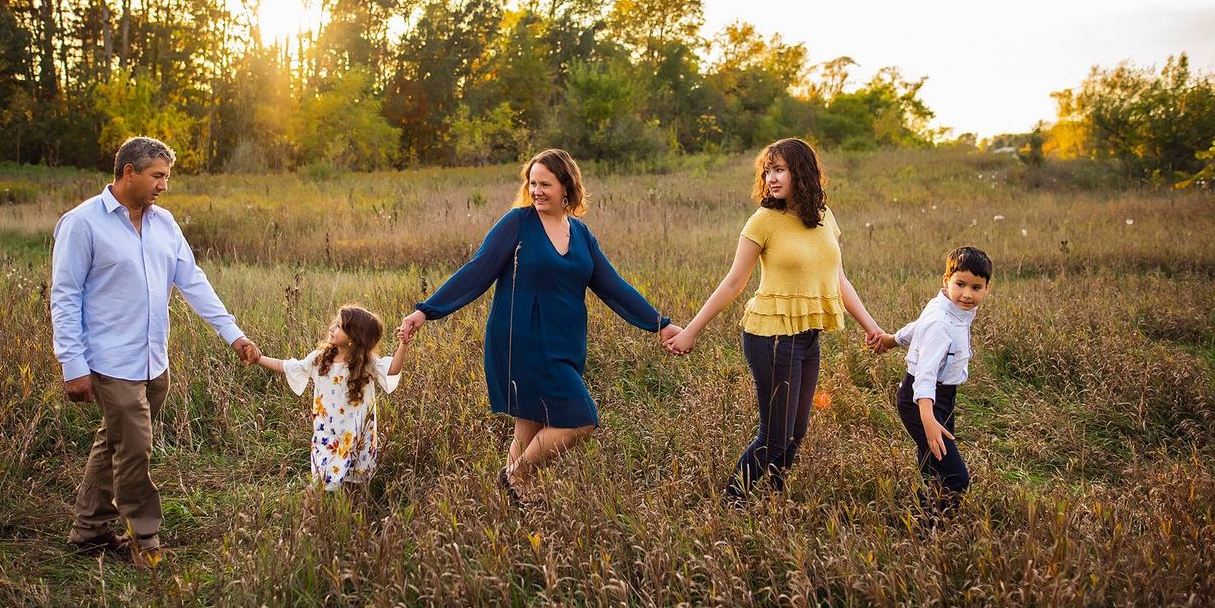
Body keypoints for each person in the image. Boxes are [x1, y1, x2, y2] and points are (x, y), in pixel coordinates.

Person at [398, 148, 680, 502]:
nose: (537, 191)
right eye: (532, 183)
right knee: (581, 418)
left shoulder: (580, 234)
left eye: (545, 184)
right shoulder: (517, 224)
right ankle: (515, 476)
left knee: (530, 421)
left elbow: (614, 288)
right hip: (521, 340)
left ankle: (513, 499)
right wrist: (427, 310)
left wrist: (659, 324)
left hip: (564, 344)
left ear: (567, 186)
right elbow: (476, 272)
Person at [51, 136, 260, 566]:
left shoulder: (164, 224)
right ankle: (145, 540)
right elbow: (65, 296)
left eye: (166, 176)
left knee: (114, 443)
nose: (164, 185)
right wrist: (73, 366)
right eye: (157, 176)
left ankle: (88, 530)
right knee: (135, 450)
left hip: (154, 362)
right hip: (111, 362)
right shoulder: (83, 223)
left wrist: (233, 334)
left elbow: (193, 282)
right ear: (129, 172)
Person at [665, 138, 882, 501]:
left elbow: (839, 279)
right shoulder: (763, 221)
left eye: (779, 169)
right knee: (775, 435)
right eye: (767, 171)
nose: (771, 178)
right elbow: (734, 282)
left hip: (808, 336)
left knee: (797, 431)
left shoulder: (825, 218)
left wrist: (871, 326)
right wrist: (691, 331)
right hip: (771, 337)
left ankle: (773, 498)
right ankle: (732, 503)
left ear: (802, 172)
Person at [872, 245, 992, 516]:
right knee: (956, 478)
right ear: (945, 280)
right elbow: (925, 375)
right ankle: (934, 528)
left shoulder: (947, 308)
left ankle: (922, 513)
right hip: (922, 400)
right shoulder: (941, 322)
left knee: (932, 460)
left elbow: (917, 326)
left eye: (976, 287)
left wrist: (892, 340)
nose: (967, 294)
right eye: (960, 284)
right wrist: (928, 418)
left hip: (942, 397)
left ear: (987, 289)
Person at [254, 305, 408, 491]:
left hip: (356, 434)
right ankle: (309, 519)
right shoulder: (320, 359)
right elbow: (286, 366)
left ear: (353, 338)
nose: (331, 328)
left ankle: (350, 517)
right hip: (327, 435)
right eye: (334, 324)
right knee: (320, 483)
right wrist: (258, 358)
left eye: (339, 326)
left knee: (355, 482)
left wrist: (403, 344)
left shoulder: (366, 363)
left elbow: (392, 369)